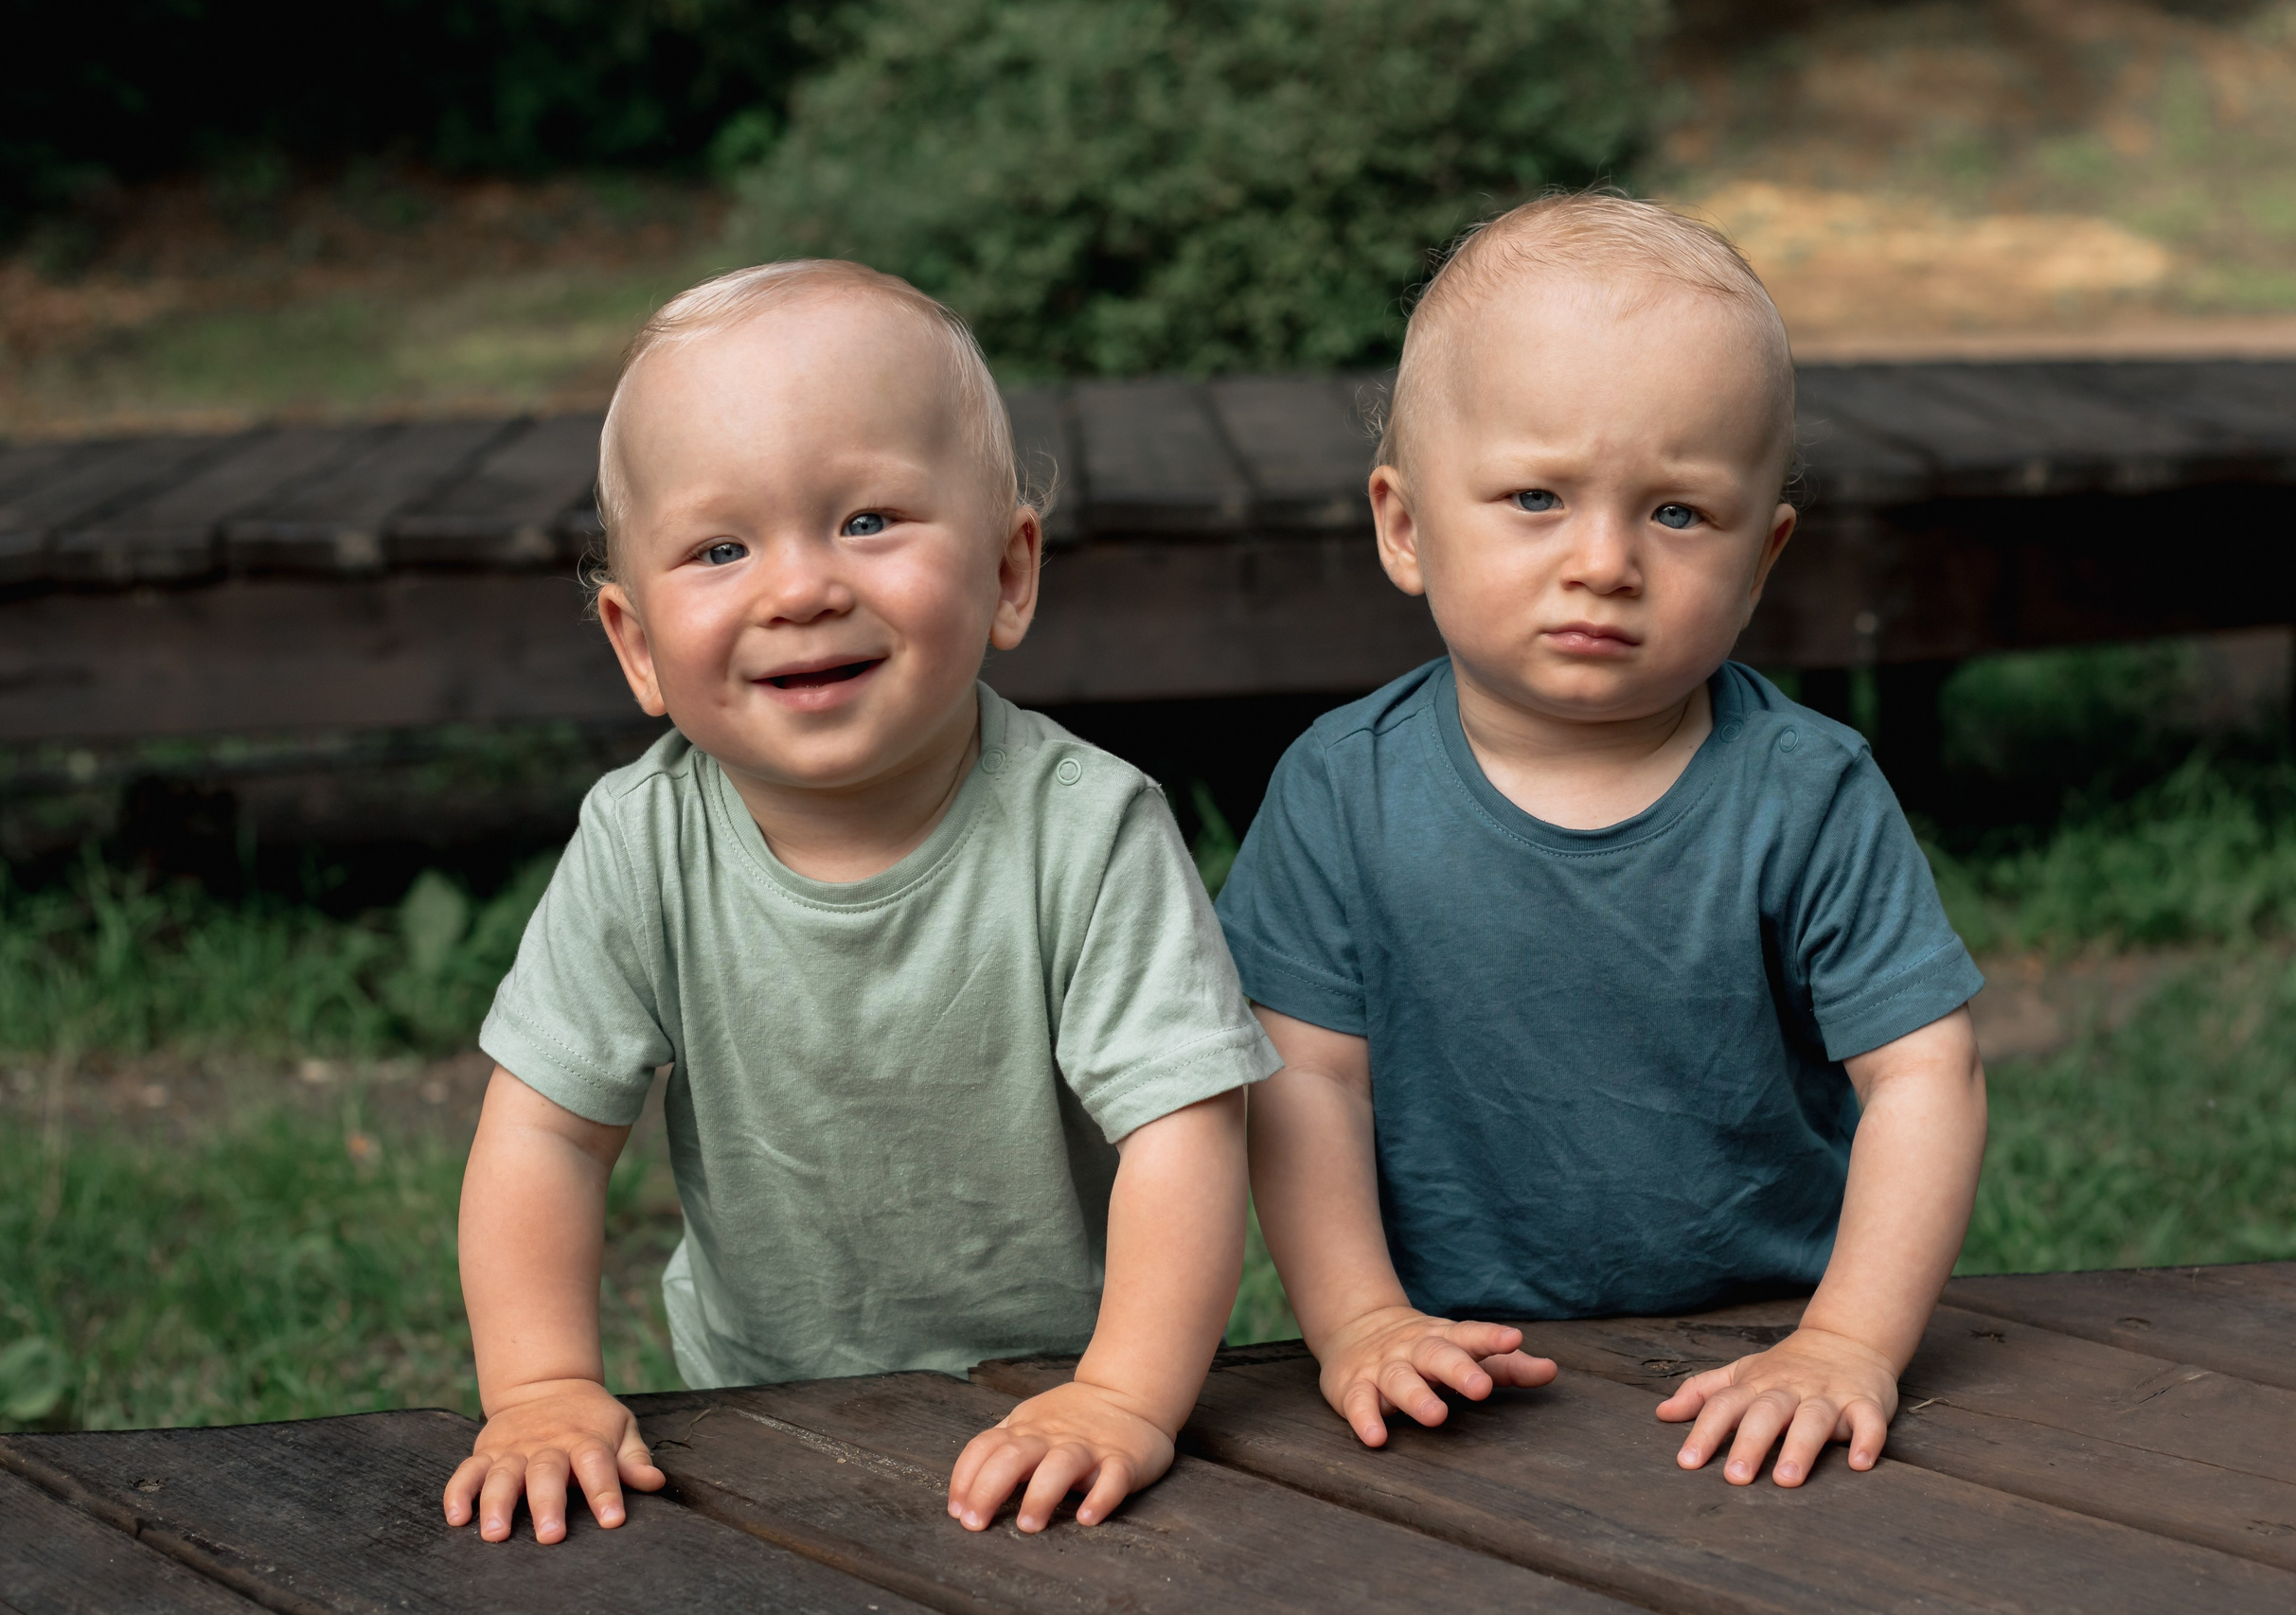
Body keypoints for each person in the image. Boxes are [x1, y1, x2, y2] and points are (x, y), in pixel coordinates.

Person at [440, 260, 1278, 1546]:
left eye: (869, 520)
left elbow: (1187, 1130)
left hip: (1061, 1381)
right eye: (721, 549)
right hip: (757, 1400)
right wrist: (542, 1387)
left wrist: (1122, 1393)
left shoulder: (1088, 827)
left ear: (1009, 571)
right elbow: (544, 1136)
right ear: (638, 643)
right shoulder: (642, 840)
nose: (799, 589)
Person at [1219, 192, 1988, 1490]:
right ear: (1405, 525)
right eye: (1536, 496)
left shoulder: (1805, 792)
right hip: (1458, 1360)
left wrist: (1848, 1340)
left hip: (1763, 1343)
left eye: (1677, 513)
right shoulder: (1342, 791)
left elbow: (1926, 1074)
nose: (1604, 561)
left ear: (1763, 558)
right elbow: (1303, 1083)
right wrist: (1358, 1321)